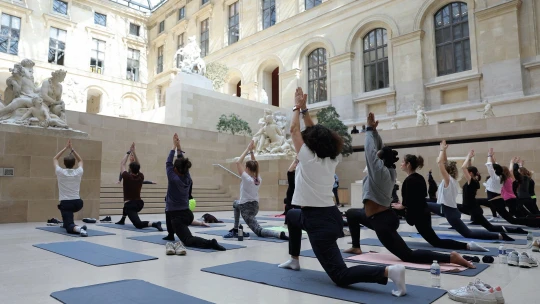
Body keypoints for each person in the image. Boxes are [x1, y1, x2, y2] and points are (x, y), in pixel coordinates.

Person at [279, 89, 407, 297]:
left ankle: (388, 272)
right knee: (292, 217)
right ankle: (294, 259)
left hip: (319, 222)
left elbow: (294, 130)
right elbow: (315, 133)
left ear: (311, 144)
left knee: (340, 275)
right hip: (328, 215)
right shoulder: (332, 157)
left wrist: (296, 106)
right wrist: (305, 112)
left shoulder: (309, 159)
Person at [345, 115, 475, 270]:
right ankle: (356, 246)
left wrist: (368, 130)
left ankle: (450, 257)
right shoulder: (390, 170)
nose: (375, 157)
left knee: (408, 255)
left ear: (380, 160)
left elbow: (369, 151)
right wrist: (374, 131)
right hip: (376, 216)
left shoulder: (379, 172)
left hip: (381, 221)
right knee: (352, 214)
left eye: (377, 156)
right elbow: (379, 150)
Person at [391, 154, 489, 251]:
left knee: (436, 242)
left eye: (403, 162)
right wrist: (403, 205)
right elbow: (420, 196)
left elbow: (409, 200)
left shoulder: (409, 180)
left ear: (408, 164)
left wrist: (403, 206)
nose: (401, 164)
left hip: (420, 215)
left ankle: (467, 246)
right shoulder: (419, 177)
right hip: (424, 212)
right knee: (436, 240)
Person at [426, 141, 513, 241]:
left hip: (450, 212)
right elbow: (444, 163)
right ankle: (424, 227)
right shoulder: (451, 179)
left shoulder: (448, 180)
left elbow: (440, 163)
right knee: (423, 204)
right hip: (445, 208)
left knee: (468, 234)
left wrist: (442, 150)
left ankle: (499, 236)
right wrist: (445, 151)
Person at [163, 133, 226, 254]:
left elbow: (168, 162)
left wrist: (173, 146)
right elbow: (178, 162)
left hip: (178, 216)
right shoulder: (187, 177)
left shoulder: (173, 178)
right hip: (188, 214)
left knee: (187, 239)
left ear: (175, 169)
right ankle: (171, 234)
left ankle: (210, 243)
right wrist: (178, 146)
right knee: (168, 212)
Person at [223, 140, 288, 240]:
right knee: (236, 203)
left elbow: (238, 162)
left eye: (245, 167)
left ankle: (278, 234)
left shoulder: (247, 179)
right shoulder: (258, 178)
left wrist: (248, 149)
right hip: (255, 207)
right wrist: (252, 152)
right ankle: (236, 229)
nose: (244, 169)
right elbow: (256, 165)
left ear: (248, 169)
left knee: (258, 230)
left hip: (246, 208)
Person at [458, 150, 526, 234]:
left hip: (475, 208)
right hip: (472, 206)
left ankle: (515, 230)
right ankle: (457, 221)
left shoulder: (475, 181)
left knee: (493, 227)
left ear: (470, 174)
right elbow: (469, 169)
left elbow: (464, 168)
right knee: (452, 207)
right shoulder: (475, 180)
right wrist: (469, 159)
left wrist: (469, 156)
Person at [485, 149, 540, 227]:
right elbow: (497, 168)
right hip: (509, 199)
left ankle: (536, 222)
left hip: (508, 199)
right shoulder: (507, 178)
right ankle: (535, 221)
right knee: (522, 215)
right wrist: (493, 159)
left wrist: (490, 156)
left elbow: (491, 167)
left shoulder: (499, 178)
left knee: (516, 218)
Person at [115, 142, 163, 231]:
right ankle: (122, 219)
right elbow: (138, 164)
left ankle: (155, 224)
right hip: (139, 204)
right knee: (126, 206)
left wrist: (129, 151)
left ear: (130, 169)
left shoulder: (127, 177)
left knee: (138, 224)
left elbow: (122, 164)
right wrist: (134, 152)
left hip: (131, 205)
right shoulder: (141, 176)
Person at [53, 139, 87, 236]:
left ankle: (79, 229)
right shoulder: (78, 171)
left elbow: (55, 159)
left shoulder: (60, 172)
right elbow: (80, 160)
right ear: (73, 164)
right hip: (78, 203)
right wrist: (72, 149)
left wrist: (65, 148)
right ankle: (67, 221)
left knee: (69, 226)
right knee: (67, 212)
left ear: (64, 163)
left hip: (67, 204)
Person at [282, 158, 300, 225]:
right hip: (291, 194)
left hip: (296, 194)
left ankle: (291, 222)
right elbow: (289, 170)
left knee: (296, 208)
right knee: (289, 207)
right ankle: (287, 222)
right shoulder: (293, 175)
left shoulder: (299, 176)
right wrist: (296, 159)